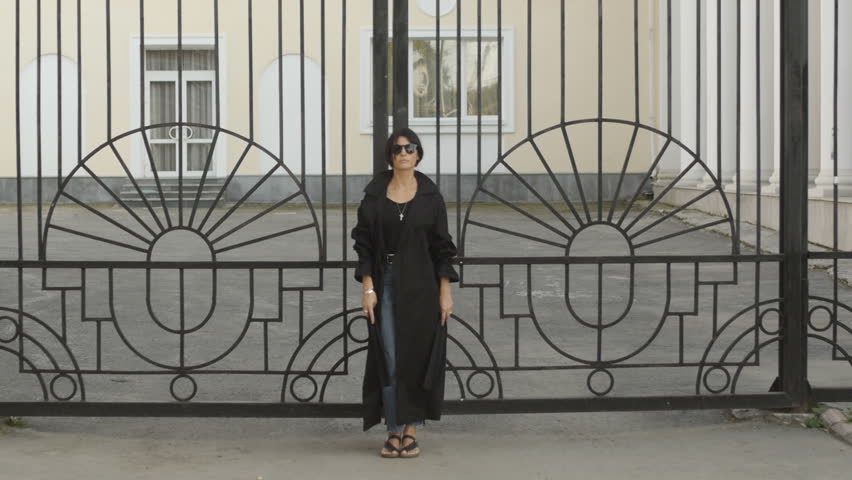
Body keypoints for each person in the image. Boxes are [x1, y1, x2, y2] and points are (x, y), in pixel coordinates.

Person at [351, 127, 459, 458]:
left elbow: (442, 247)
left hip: (422, 284)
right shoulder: (374, 196)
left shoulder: (430, 197)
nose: (403, 153)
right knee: (389, 354)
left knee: (416, 354)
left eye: (410, 148)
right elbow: (363, 244)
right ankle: (393, 428)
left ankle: (410, 429)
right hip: (384, 281)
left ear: (418, 154)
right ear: (390, 156)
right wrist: (368, 287)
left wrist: (445, 292)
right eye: (397, 149)